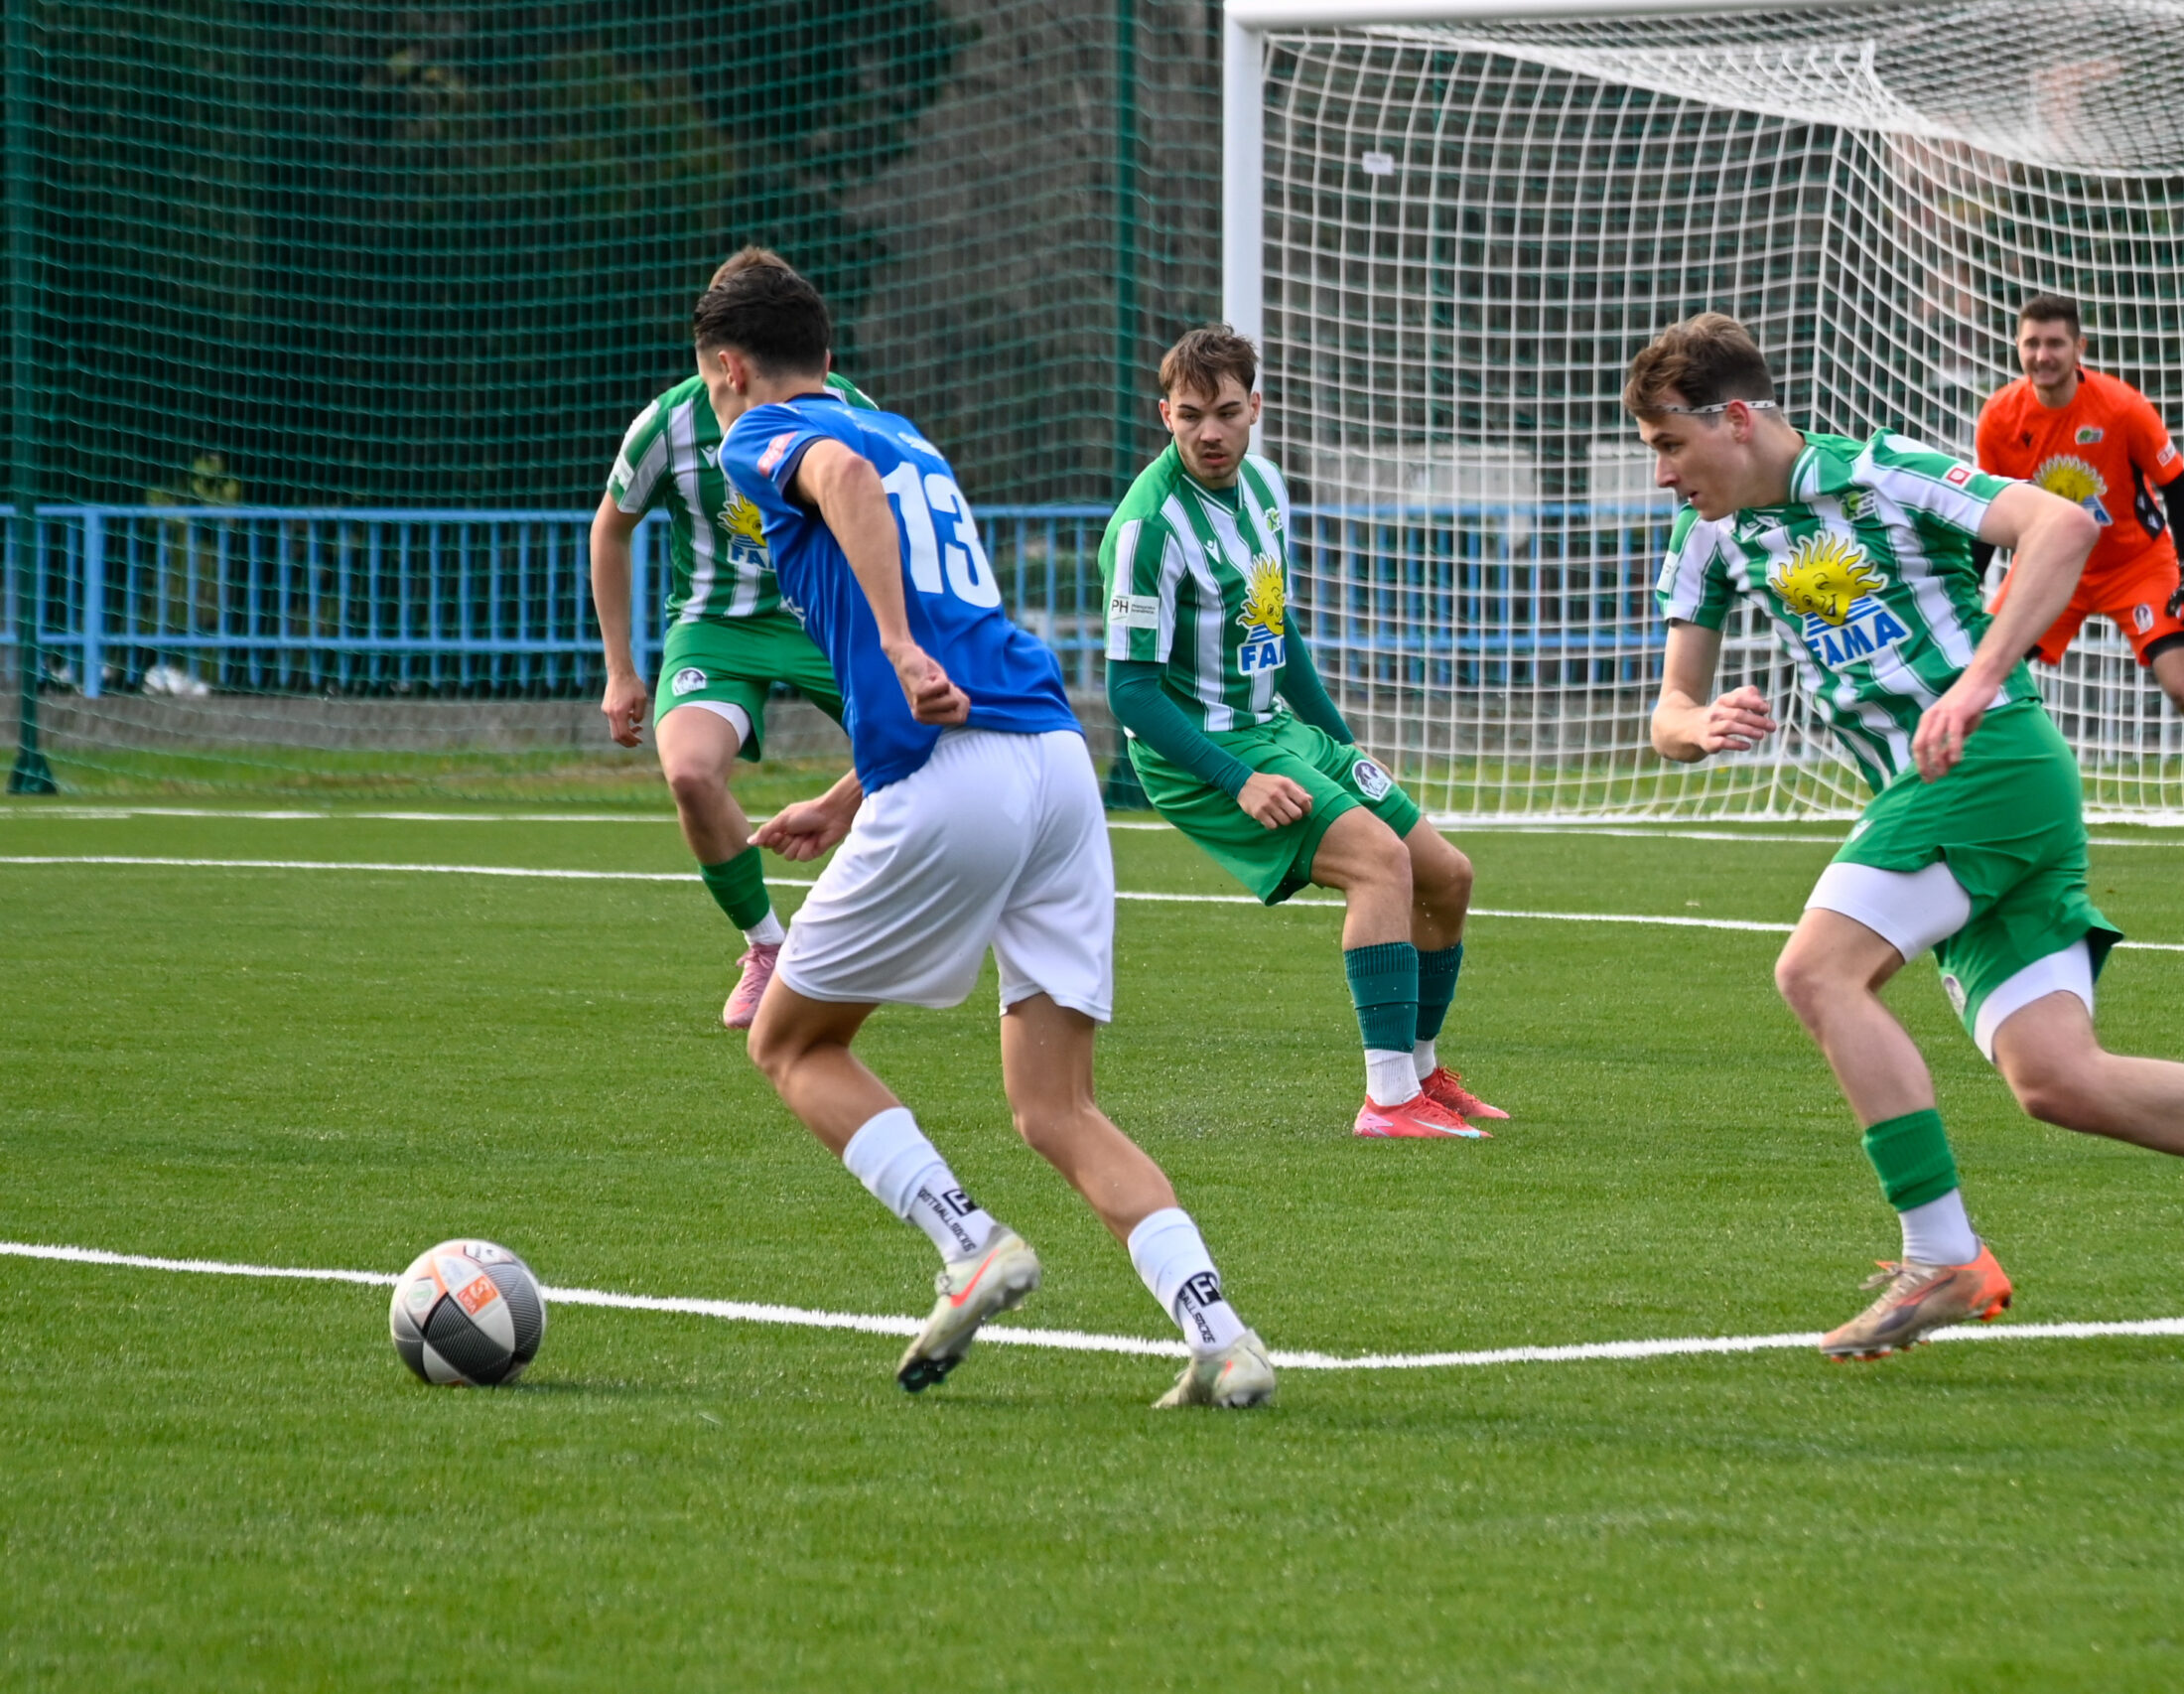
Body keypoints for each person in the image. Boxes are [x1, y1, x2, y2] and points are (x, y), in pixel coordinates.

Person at [1632, 313, 2184, 1361]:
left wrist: (1976, 683)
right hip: (1936, 792)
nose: (1663, 474)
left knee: (1816, 972)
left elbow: (2061, 526)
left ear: (1736, 420)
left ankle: (1943, 1255)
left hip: (1991, 761)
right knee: (2057, 1078)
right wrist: (1698, 724)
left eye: (1669, 444)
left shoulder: (1878, 472)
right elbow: (1668, 710)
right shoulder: (1706, 536)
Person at [704, 261, 1273, 1408]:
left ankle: (967, 1239)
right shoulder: (903, 434)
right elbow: (950, 619)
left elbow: (840, 483)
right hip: (1052, 762)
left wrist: (896, 646)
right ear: (828, 355)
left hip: (953, 774)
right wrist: (846, 794)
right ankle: (1222, 1334)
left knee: (792, 1042)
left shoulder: (764, 433)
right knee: (1055, 1105)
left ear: (728, 368)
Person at [1102, 325, 1501, 1140]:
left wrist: (1340, 741)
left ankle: (1422, 1071)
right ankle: (1388, 1101)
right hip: (1205, 754)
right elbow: (1130, 694)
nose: (1209, 433)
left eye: (1225, 412)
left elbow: (1274, 630)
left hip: (1279, 729)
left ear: (1255, 407)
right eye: (1189, 416)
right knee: (1380, 865)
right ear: (1165, 415)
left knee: (1447, 875)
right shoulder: (1149, 528)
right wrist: (1238, 780)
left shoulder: (1266, 488)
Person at [589, 248, 874, 1030]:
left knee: (933, 759)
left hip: (824, 619)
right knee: (688, 772)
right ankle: (768, 947)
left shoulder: (841, 408)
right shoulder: (670, 421)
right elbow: (610, 530)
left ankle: (867, 932)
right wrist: (621, 669)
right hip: (715, 628)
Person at [1975, 295, 2184, 863]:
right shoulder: (1999, 416)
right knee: (1977, 674)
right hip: (2050, 564)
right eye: (2032, 343)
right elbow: (1988, 508)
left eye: (2055, 343)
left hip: (2135, 564)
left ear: (2079, 349)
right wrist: (1965, 584)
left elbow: (2176, 484)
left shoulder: (2120, 406)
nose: (2042, 355)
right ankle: (1981, 819)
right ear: (2017, 347)